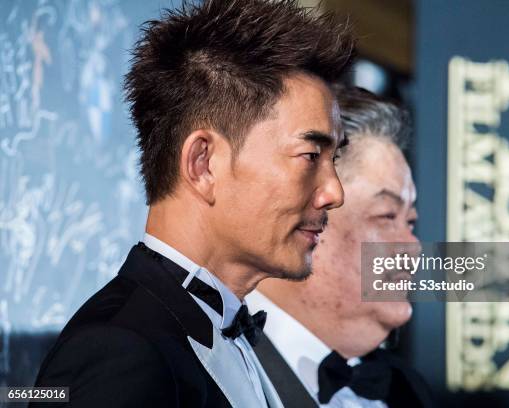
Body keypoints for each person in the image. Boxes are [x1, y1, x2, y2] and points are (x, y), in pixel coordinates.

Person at [32, 1, 355, 407]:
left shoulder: (228, 331)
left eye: (334, 160)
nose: (334, 192)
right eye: (310, 156)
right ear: (203, 164)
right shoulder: (119, 350)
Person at [247, 85, 432, 408]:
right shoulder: (208, 372)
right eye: (387, 215)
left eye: (411, 221)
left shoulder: (409, 392)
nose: (413, 246)